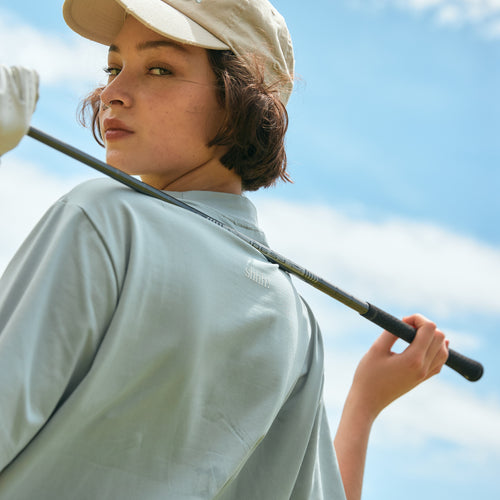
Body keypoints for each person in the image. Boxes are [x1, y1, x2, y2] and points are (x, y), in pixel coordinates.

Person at [0, 1, 449, 499]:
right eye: (113, 67)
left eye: (159, 68)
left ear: (242, 98)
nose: (113, 93)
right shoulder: (295, 319)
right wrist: (364, 403)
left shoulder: (102, 217)